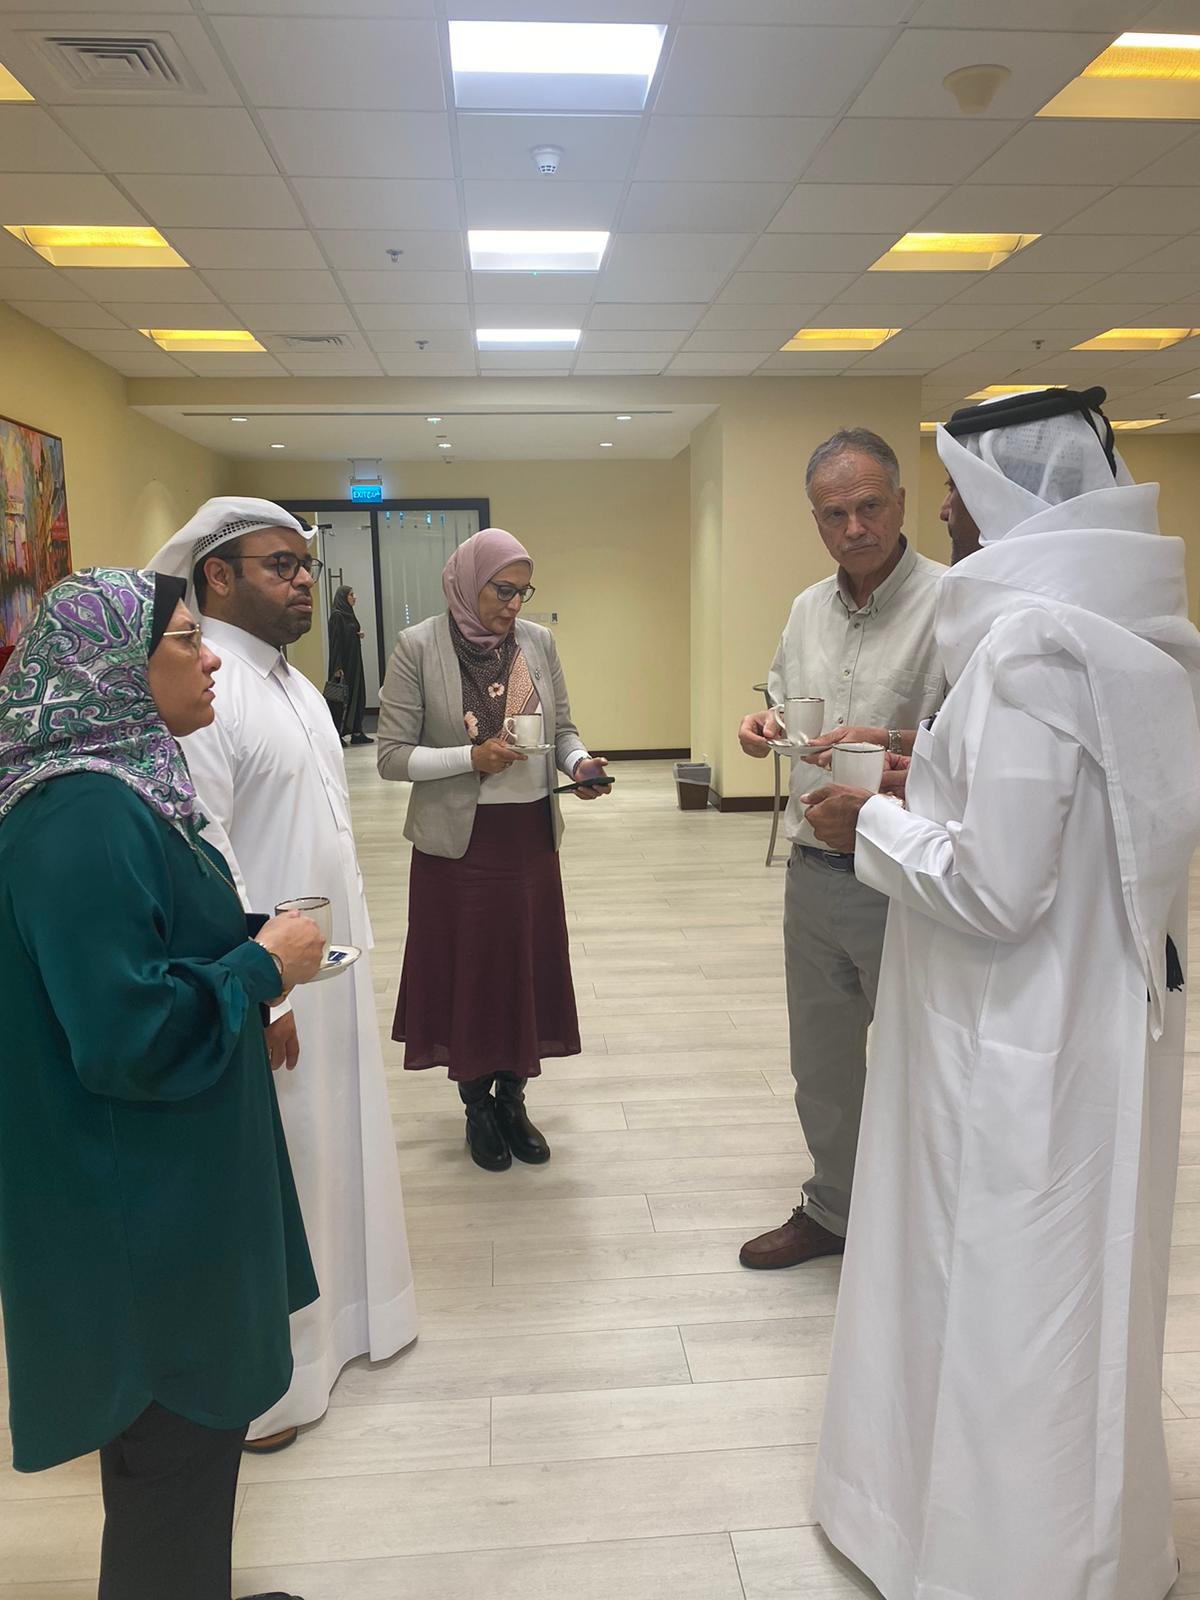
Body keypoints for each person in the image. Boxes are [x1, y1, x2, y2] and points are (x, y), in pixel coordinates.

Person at [805, 386, 1200, 1600]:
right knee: (1074, 1289)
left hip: (1009, 1031)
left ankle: (996, 1556)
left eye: (956, 495)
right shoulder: (1134, 631)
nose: (947, 519)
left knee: (1004, 1289)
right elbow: (1057, 823)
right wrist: (927, 773)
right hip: (1093, 1021)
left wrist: (870, 818)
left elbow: (994, 885)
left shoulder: (1032, 646)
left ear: (1009, 497)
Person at [0, 566, 325, 1600]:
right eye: (185, 638)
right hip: (141, 1221)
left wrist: (244, 940)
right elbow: (124, 1036)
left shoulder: (120, 790)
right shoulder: (82, 816)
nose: (211, 657)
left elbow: (139, 952)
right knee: (169, 1460)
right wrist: (260, 967)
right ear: (110, 670)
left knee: (183, 1470)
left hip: (163, 1195)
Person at [150, 498, 417, 1453]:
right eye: (281, 566)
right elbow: (206, 854)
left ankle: (352, 1324)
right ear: (218, 576)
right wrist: (261, 990)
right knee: (285, 1168)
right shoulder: (205, 686)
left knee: (338, 1144)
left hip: (325, 962)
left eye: (306, 565)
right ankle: (272, 1383)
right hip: (269, 981)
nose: (305, 581)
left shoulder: (293, 684)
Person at [736, 429, 946, 1271]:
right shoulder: (805, 610)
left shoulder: (953, 604)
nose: (854, 527)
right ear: (816, 521)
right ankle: (835, 1209)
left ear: (900, 501)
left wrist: (890, 742)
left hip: (905, 879)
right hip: (813, 872)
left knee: (923, 1059)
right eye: (834, 514)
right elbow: (790, 706)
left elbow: (979, 744)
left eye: (869, 506)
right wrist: (764, 725)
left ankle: (924, 1226)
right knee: (822, 1063)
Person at [376, 527, 611, 1171]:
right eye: (501, 590)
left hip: (528, 839)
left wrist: (580, 765)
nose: (513, 605)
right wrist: (469, 758)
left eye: (522, 592)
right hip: (459, 847)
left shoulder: (538, 642)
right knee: (471, 972)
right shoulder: (418, 645)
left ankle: (514, 1099)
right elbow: (391, 758)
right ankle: (476, 1105)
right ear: (466, 583)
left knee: (521, 968)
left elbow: (563, 729)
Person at [326, 584, 372, 746]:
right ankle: (337, 734)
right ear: (343, 597)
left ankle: (357, 732)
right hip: (343, 664)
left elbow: (348, 634)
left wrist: (357, 635)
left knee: (357, 694)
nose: (355, 597)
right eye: (351, 594)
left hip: (354, 662)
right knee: (340, 699)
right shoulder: (337, 616)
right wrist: (337, 667)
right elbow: (335, 642)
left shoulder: (349, 614)